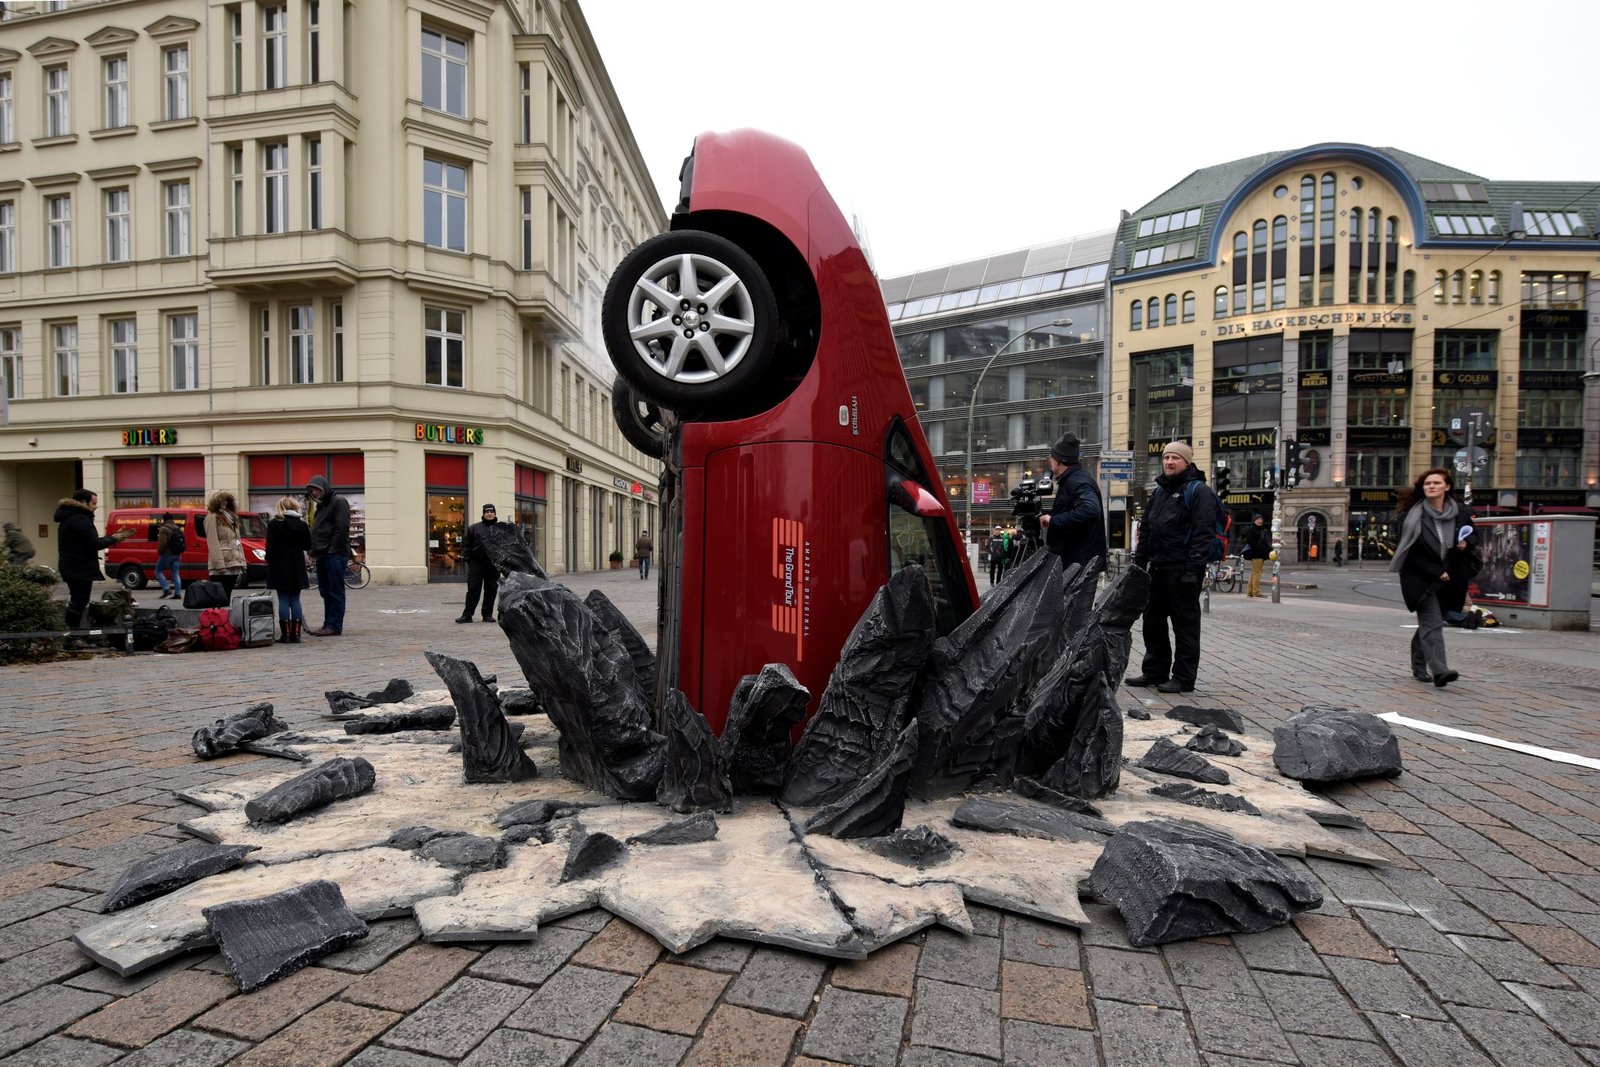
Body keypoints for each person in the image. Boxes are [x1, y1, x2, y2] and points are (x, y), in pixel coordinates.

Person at [1126, 441, 1218, 694]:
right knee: (1152, 621)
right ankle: (1155, 671)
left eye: (1175, 458)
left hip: (1183, 570)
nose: (1169, 462)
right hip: (1158, 568)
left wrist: (1192, 570)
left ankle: (1183, 678)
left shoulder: (1199, 492)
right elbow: (1146, 529)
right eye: (1166, 457)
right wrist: (1139, 563)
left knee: (1185, 624)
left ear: (1186, 462)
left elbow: (1204, 533)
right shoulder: (1159, 492)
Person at [1390, 467, 1475, 687]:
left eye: (1436, 483)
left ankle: (1418, 664)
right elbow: (1411, 552)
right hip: (1421, 578)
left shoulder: (1461, 512)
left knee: (1431, 624)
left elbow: (1473, 534)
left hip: (1452, 579)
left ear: (1446, 487)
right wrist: (1436, 571)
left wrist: (1466, 543)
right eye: (1428, 484)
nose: (1431, 487)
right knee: (1433, 622)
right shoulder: (1413, 515)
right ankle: (1440, 671)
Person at [53, 490, 130, 629]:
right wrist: (115, 538)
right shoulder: (81, 519)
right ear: (83, 502)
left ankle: (71, 633)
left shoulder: (69, 517)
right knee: (79, 601)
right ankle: (72, 634)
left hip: (70, 565)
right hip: (79, 567)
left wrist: (112, 537)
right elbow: (94, 543)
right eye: (94, 503)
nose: (96, 506)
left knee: (77, 600)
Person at [1039, 432, 1107, 572]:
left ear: (1058, 460)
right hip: (1075, 562)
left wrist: (1053, 520)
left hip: (1077, 565)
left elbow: (1090, 510)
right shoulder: (1073, 479)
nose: (1050, 461)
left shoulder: (1077, 481)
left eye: (1051, 458)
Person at [305, 474, 351, 636]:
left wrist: (333, 549)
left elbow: (342, 528)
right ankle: (328, 624)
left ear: (324, 488)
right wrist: (313, 551)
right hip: (323, 554)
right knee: (325, 591)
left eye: (316, 490)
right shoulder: (322, 506)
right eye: (312, 491)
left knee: (334, 591)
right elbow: (319, 530)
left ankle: (334, 625)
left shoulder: (338, 502)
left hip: (334, 554)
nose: (314, 493)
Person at [265, 495, 311, 643]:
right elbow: (308, 545)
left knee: (283, 599)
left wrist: (269, 559)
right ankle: (296, 634)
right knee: (295, 599)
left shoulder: (274, 524)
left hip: (279, 566)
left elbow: (270, 547)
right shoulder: (302, 525)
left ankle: (285, 635)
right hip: (296, 565)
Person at [458, 503, 503, 623]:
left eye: (491, 512)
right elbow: (466, 546)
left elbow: (504, 547)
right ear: (483, 513)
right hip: (476, 564)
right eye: (487, 512)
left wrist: (501, 562)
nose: (489, 514)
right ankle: (467, 615)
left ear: (494, 513)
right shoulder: (473, 528)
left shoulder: (500, 529)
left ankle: (487, 614)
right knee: (473, 589)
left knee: (491, 589)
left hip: (493, 564)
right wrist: (469, 561)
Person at [203, 491, 247, 598]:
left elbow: (238, 541)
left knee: (227, 596)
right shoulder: (212, 517)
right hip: (223, 563)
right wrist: (219, 565)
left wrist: (242, 562)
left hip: (234, 563)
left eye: (227, 501)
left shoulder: (232, 517)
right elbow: (213, 541)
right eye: (222, 501)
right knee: (219, 598)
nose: (225, 504)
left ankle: (226, 615)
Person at [154, 513, 184, 599]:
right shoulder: (178, 528)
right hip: (177, 554)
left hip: (167, 554)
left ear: (164, 519)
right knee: (176, 573)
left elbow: (162, 543)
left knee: (158, 571)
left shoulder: (164, 529)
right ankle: (177, 594)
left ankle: (166, 589)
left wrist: (160, 552)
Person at [1242, 513, 1270, 598]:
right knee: (1257, 573)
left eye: (1261, 519)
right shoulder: (1251, 529)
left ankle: (1250, 592)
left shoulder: (1261, 530)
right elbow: (1250, 541)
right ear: (1254, 521)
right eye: (1258, 519)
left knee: (1254, 573)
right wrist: (1258, 548)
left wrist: (1270, 550)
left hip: (1260, 554)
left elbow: (1265, 543)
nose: (1260, 521)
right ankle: (1256, 592)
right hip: (1256, 554)